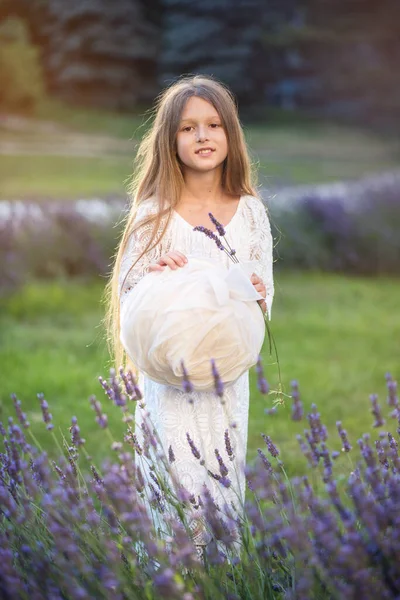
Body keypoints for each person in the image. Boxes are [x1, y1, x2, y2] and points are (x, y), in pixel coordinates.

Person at [105, 74, 274, 560]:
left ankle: (221, 581)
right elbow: (131, 308)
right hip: (168, 387)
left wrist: (255, 294)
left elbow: (263, 306)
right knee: (177, 503)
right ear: (169, 140)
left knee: (221, 496)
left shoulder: (251, 214)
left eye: (214, 125)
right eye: (188, 128)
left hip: (225, 383)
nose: (202, 136)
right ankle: (174, 580)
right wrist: (156, 280)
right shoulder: (152, 215)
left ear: (231, 135)